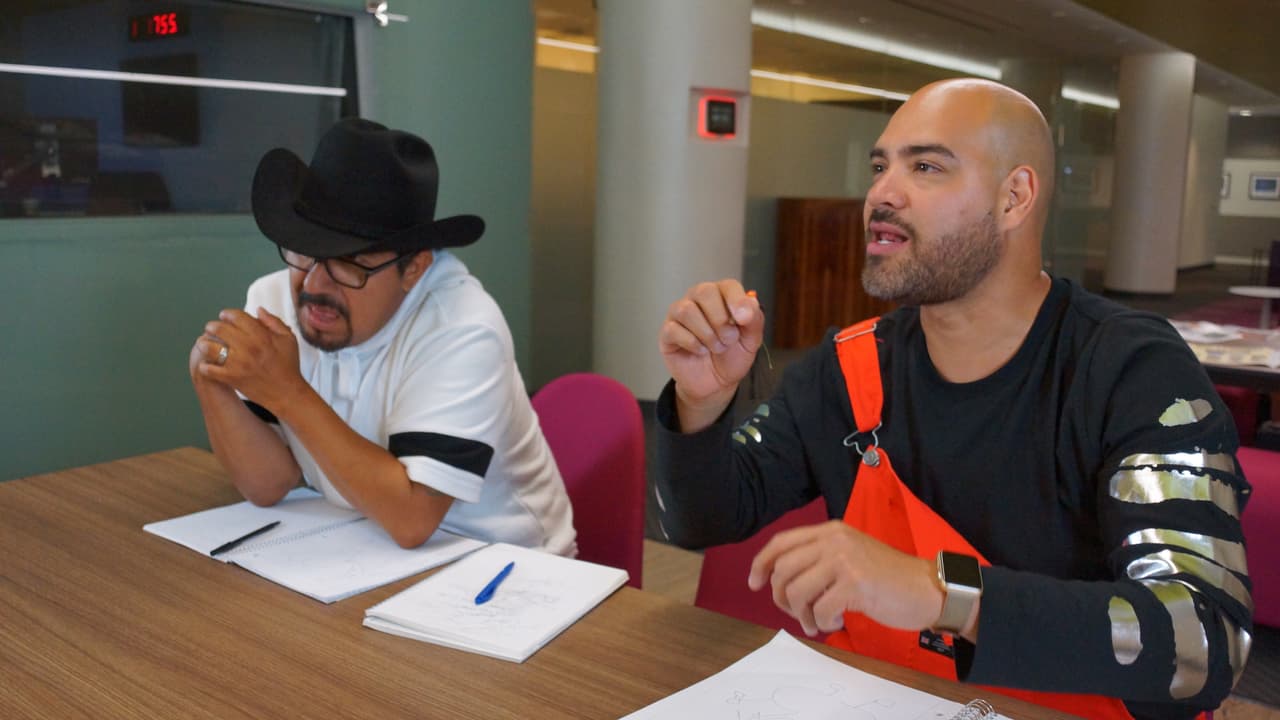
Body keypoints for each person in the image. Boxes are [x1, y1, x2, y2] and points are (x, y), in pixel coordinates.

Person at [655, 79, 1251, 719]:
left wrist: (941, 591)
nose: (882, 193)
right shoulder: (851, 366)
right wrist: (702, 403)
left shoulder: (1132, 371)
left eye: (927, 166)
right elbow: (702, 521)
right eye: (880, 166)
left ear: (1014, 197)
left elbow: (1204, 640)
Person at [189, 117, 576, 556]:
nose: (315, 284)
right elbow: (267, 485)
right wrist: (210, 381)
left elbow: (413, 519)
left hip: (500, 563)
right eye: (305, 249)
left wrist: (287, 390)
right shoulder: (276, 295)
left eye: (350, 263)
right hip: (359, 540)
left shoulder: (463, 326)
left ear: (414, 268)